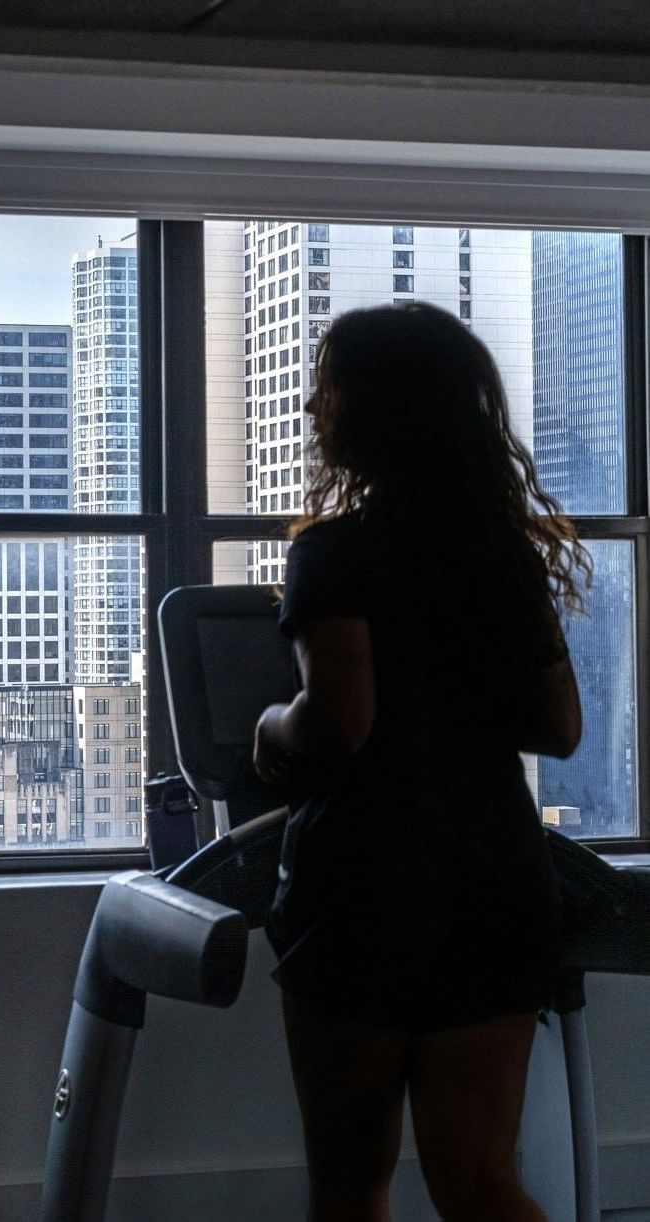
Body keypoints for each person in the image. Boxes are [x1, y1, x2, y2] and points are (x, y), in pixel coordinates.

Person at [253, 302, 587, 1222]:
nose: (312, 409)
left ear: (368, 410)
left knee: (355, 1184)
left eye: (327, 389)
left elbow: (340, 722)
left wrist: (270, 728)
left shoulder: (334, 550)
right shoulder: (499, 556)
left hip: (365, 891)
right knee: (480, 1182)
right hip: (494, 882)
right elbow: (559, 729)